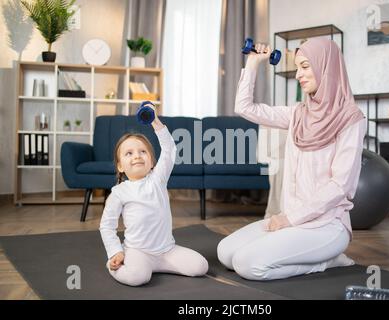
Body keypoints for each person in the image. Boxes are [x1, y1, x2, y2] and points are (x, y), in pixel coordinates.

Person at [217, 38, 366, 281]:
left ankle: (327, 261)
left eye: (305, 66)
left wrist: (289, 218)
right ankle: (317, 257)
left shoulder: (351, 119)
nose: (299, 75)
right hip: (290, 220)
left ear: (326, 66)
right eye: (298, 67)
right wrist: (253, 62)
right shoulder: (297, 114)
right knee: (225, 253)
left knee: (247, 265)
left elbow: (341, 186)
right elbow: (244, 108)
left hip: (325, 226)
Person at [99, 108, 208, 286]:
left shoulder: (158, 179)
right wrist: (115, 252)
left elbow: (169, 148)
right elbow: (107, 226)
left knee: (200, 266)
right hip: (138, 252)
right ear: (120, 166)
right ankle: (114, 267)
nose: (137, 156)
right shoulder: (119, 192)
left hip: (166, 251)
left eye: (143, 152)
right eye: (129, 153)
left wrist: (155, 122)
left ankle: (155, 266)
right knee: (138, 278)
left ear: (151, 161)